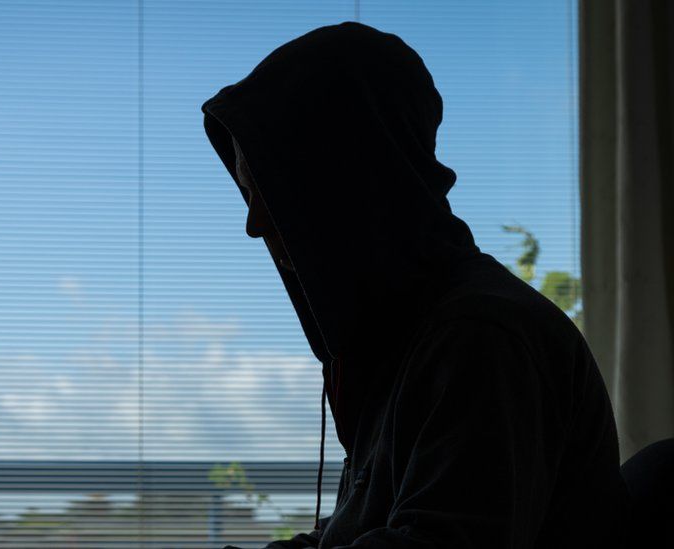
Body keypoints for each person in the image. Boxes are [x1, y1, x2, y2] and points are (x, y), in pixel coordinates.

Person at [202, 22, 630, 549]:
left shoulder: (481, 339)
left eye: (268, 191)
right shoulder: (405, 344)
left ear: (341, 177)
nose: (255, 224)